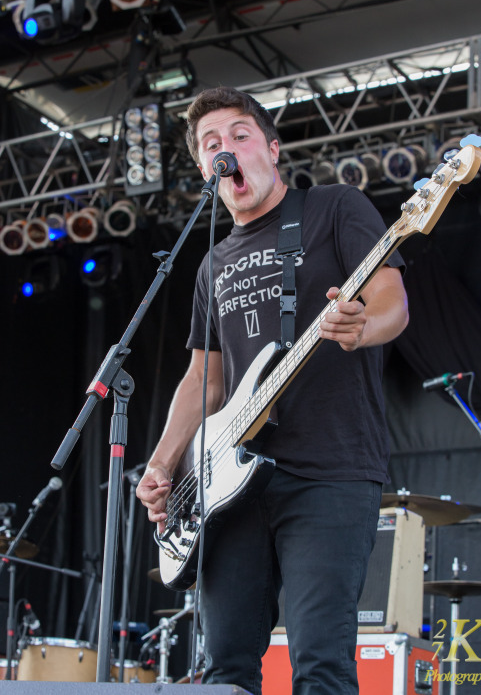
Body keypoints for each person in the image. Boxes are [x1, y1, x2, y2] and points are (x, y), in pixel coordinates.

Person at [136, 86, 409, 695]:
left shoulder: (333, 209)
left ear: (272, 149)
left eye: (239, 135)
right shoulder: (210, 264)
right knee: (226, 670)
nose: (226, 150)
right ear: (205, 170)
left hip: (328, 471)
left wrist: (362, 326)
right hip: (228, 490)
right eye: (211, 145)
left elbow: (392, 301)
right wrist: (160, 465)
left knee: (320, 663)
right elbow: (203, 378)